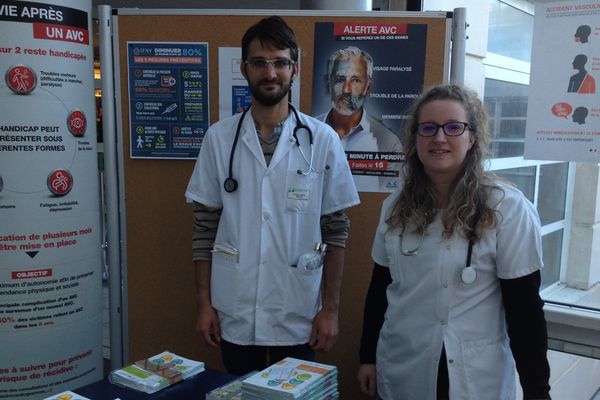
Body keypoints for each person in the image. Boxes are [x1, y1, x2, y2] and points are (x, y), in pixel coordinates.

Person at [185, 16, 360, 376]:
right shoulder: (219, 139)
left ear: (294, 69)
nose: (270, 72)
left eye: (280, 62)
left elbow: (336, 230)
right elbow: (204, 227)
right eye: (260, 62)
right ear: (244, 67)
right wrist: (204, 303)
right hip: (235, 309)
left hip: (296, 311)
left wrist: (331, 309)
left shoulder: (323, 140)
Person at [356, 84, 551, 399]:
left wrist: (537, 389)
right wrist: (366, 356)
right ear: (415, 137)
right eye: (428, 128)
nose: (439, 137)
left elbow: (525, 310)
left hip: (473, 374)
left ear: (472, 137)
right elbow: (380, 288)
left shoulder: (507, 208)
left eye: (453, 127)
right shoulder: (395, 207)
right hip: (403, 362)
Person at [316, 46, 402, 192]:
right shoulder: (307, 132)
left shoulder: (388, 143)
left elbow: (389, 199)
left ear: (368, 87)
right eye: (339, 79)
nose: (346, 90)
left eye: (355, 80)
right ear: (328, 84)